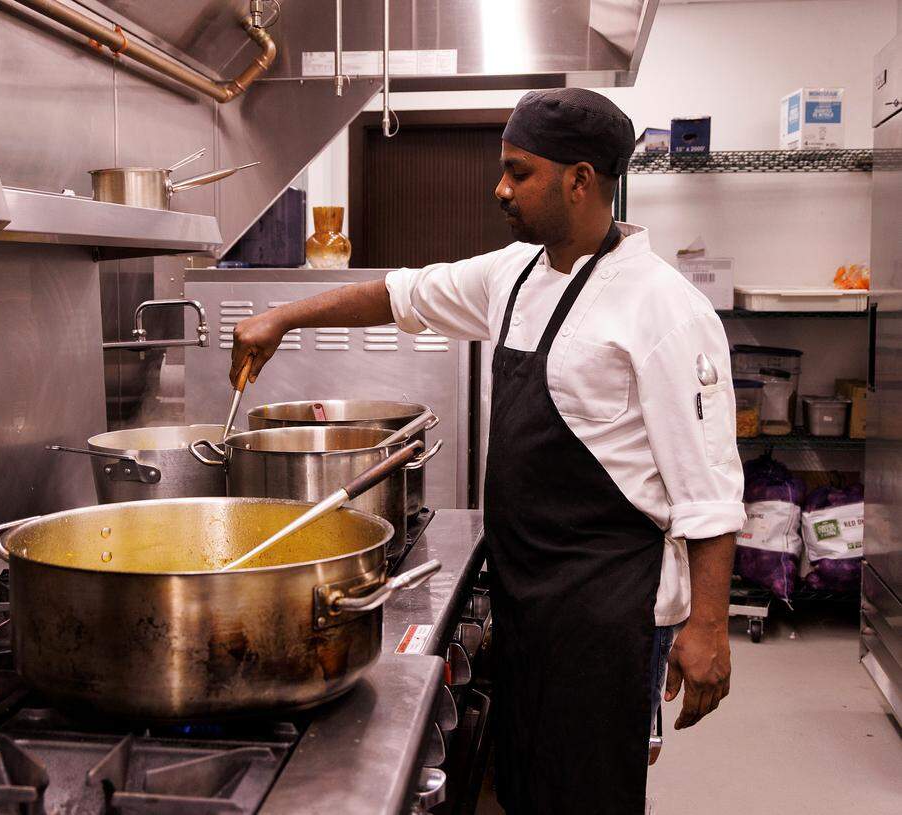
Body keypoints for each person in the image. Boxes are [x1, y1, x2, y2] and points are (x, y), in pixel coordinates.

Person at [229, 88, 744, 814]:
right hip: (525, 595)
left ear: (580, 180)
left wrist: (709, 627)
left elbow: (709, 488)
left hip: (608, 611)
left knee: (592, 792)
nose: (499, 187)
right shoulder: (515, 274)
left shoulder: (663, 308)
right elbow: (400, 294)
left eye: (518, 171)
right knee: (528, 780)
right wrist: (282, 317)